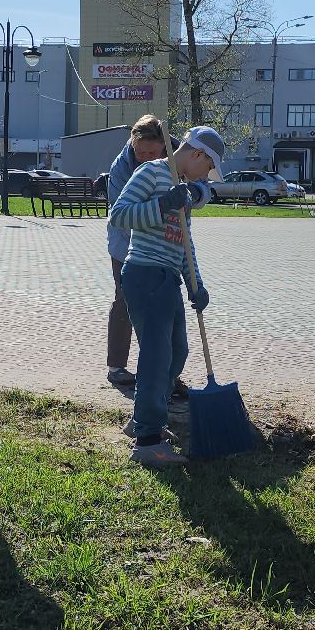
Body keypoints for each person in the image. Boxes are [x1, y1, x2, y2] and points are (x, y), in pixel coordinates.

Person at [110, 124, 226, 468]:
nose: (206, 175)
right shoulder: (150, 172)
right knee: (157, 357)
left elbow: (184, 245)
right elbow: (119, 215)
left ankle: (142, 417)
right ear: (198, 155)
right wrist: (161, 204)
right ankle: (148, 440)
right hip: (144, 274)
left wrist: (196, 284)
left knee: (177, 352)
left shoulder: (185, 191)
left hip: (169, 278)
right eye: (207, 167)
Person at [105, 115, 207, 393]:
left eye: (151, 153)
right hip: (131, 251)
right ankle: (121, 368)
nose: (145, 157)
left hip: (168, 259)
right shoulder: (127, 167)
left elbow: (189, 228)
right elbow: (121, 212)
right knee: (127, 304)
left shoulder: (181, 161)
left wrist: (188, 195)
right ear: (132, 145)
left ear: (164, 148)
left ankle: (162, 380)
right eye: (140, 153)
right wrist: (162, 204)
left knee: (173, 345)